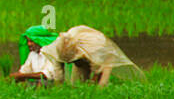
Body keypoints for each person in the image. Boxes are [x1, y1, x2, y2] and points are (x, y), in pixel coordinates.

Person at [11, 25, 141, 86]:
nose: (29, 44)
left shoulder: (91, 45)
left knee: (100, 86)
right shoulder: (56, 49)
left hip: (101, 58)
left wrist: (94, 81)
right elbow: (57, 77)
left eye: (31, 41)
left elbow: (98, 67)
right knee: (76, 85)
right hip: (80, 59)